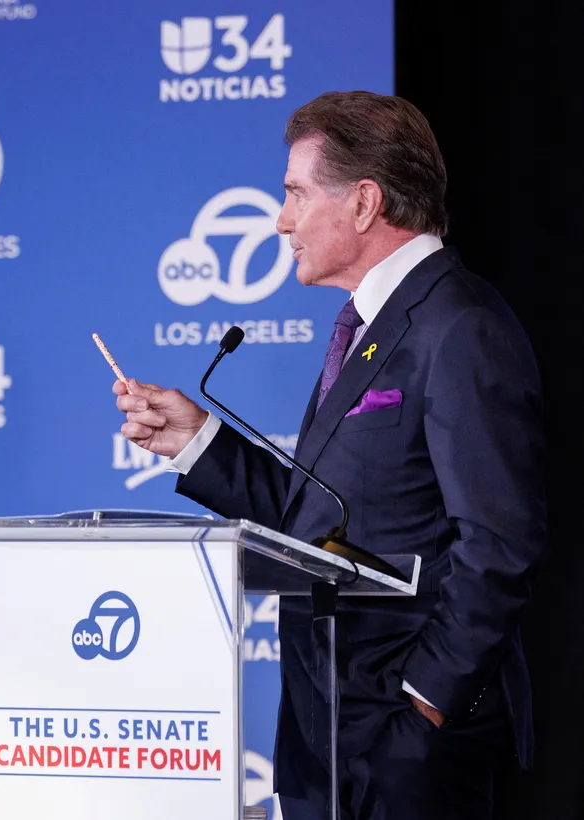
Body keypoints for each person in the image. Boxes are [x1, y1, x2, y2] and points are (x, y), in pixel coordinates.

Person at [114, 91, 546, 819]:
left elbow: (499, 548)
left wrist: (423, 711)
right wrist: (196, 441)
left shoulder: (459, 327)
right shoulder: (366, 328)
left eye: (295, 193)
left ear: (364, 201)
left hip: (411, 750)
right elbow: (317, 527)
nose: (281, 219)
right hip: (324, 739)